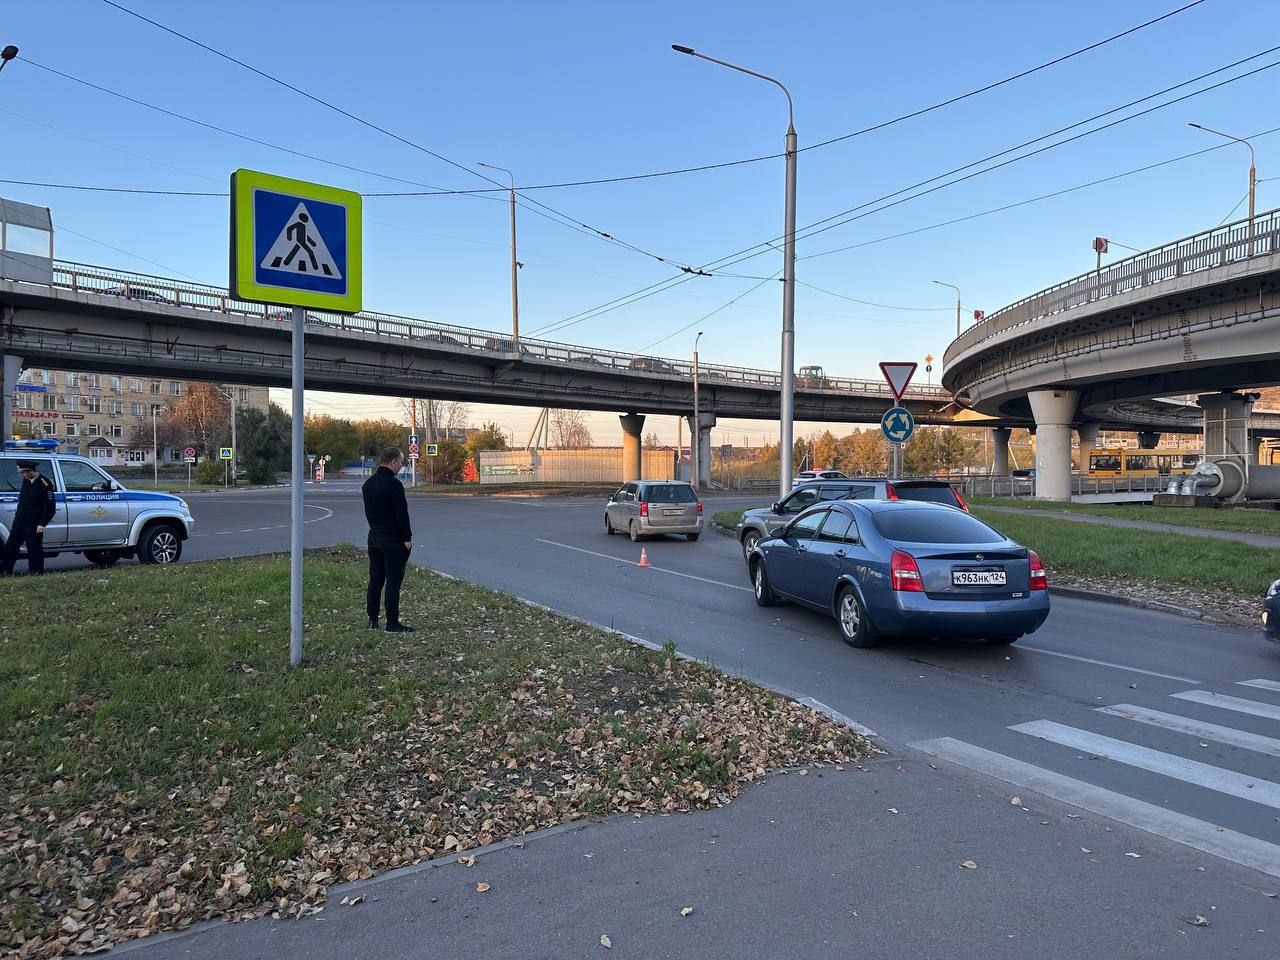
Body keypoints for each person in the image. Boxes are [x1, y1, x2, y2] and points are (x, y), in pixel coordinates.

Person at [363, 446, 415, 632]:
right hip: (393, 541)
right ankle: (392, 622)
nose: (402, 465)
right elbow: (401, 514)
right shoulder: (394, 485)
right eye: (401, 462)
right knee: (393, 582)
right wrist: (407, 538)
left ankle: (372, 620)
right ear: (393, 462)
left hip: (374, 538)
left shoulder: (368, 484)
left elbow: (369, 513)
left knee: (375, 580)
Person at [1, 460, 56, 575]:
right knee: (11, 546)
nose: (21, 475)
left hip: (34, 522)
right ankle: (5, 571)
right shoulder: (26, 481)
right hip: (20, 520)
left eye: (22, 473)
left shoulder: (44, 483)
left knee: (34, 549)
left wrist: (42, 523)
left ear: (29, 471)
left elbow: (50, 507)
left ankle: (36, 573)